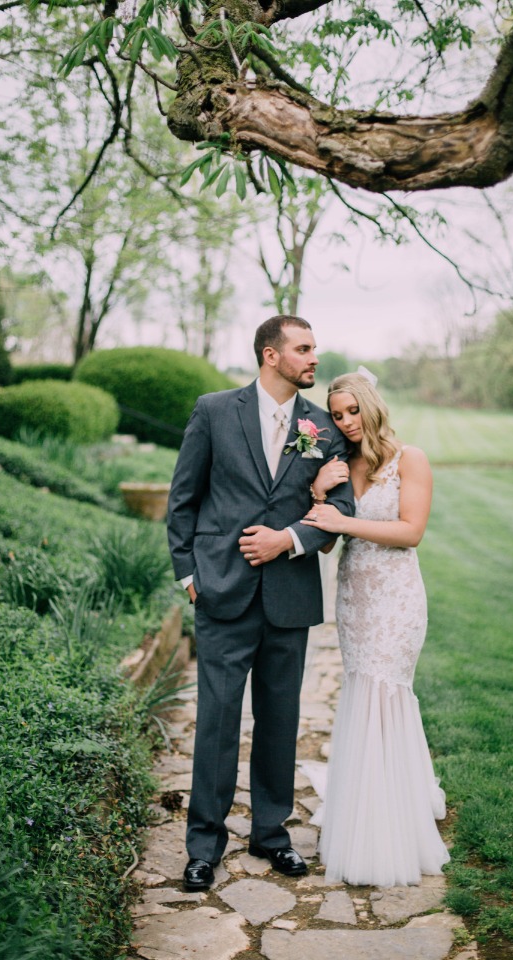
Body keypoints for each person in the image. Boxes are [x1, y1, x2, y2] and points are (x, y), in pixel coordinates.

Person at [167, 315, 354, 892]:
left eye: (315, 347)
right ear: (271, 355)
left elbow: (338, 510)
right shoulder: (214, 410)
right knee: (217, 723)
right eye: (303, 348)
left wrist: (289, 539)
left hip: (289, 597)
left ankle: (272, 836)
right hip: (221, 591)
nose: (313, 357)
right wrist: (188, 576)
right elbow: (183, 499)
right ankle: (204, 846)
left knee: (280, 721)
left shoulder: (324, 429)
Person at [300, 369, 450, 887]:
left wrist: (343, 522)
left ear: (370, 405)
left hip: (396, 598)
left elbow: (411, 533)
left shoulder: (411, 460)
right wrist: (320, 498)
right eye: (336, 414)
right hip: (355, 598)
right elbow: (324, 542)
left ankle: (392, 818)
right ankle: (362, 805)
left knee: (387, 692)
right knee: (363, 691)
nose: (344, 421)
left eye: (351, 411)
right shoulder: (340, 465)